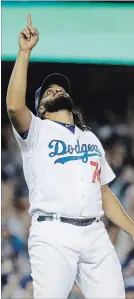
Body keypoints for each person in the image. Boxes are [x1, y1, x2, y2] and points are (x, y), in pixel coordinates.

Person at [6, 14, 134, 299]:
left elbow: (103, 194)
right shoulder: (36, 130)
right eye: (48, 91)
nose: (56, 89)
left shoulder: (90, 138)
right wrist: (24, 52)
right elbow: (14, 106)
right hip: (53, 232)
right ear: (40, 108)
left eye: (59, 87)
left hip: (95, 233)